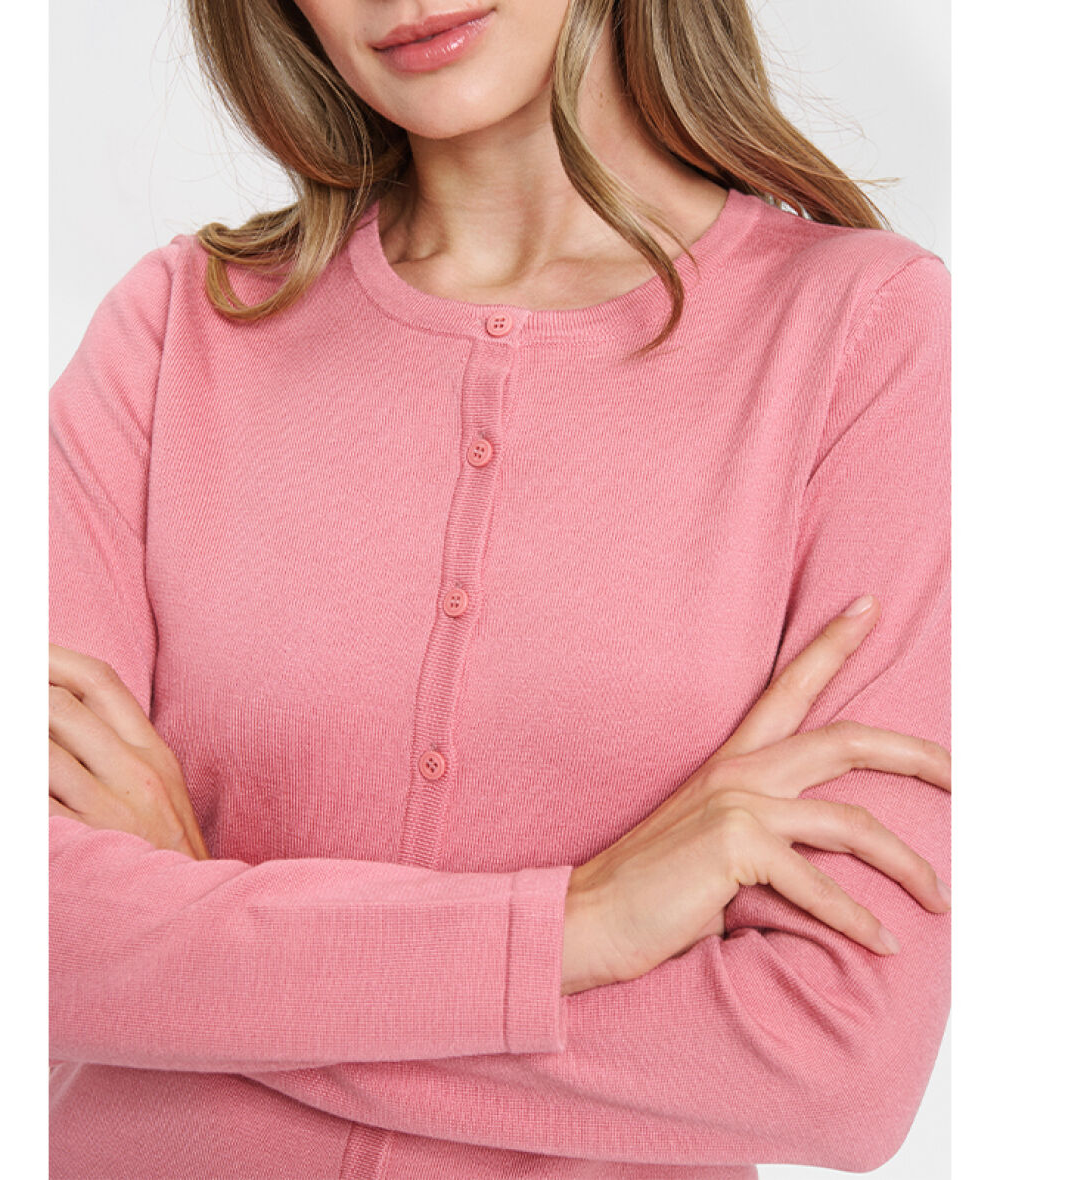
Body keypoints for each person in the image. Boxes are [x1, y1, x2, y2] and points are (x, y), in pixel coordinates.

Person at [48, 1, 951, 1177]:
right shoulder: (180, 327)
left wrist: (188, 962)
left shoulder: (861, 335)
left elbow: (830, 1062)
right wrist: (577, 928)